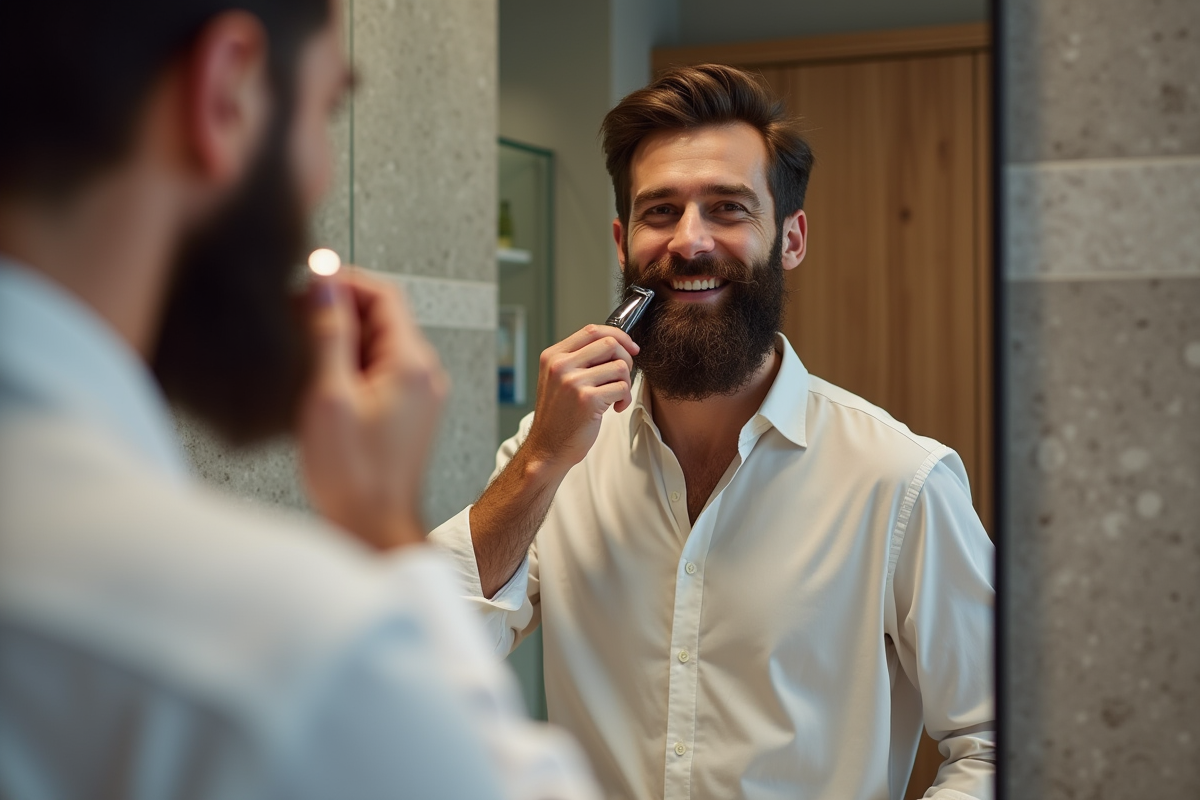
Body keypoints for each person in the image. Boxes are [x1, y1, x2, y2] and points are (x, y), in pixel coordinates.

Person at [0, 1, 600, 798]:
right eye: (326, 109)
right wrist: (384, 526)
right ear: (226, 92)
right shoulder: (290, 658)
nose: (319, 171)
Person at [431, 64, 995, 800]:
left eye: (727, 208)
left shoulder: (901, 482)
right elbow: (429, 655)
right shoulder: (558, 454)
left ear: (790, 238)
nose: (689, 243)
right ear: (621, 240)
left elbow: (994, 743)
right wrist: (540, 461)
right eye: (659, 212)